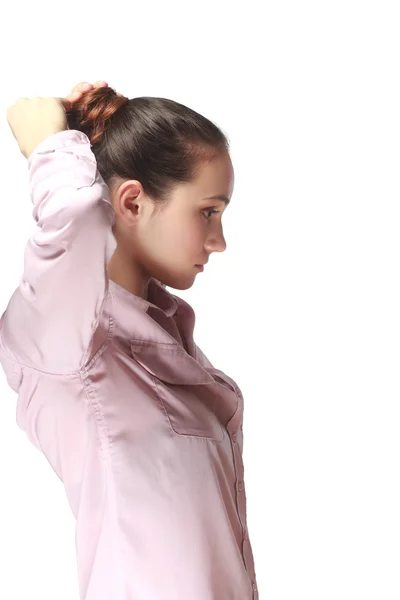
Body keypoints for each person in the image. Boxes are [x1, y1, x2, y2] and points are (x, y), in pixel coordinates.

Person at [2, 81, 259, 599]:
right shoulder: (67, 344)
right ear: (133, 202)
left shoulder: (167, 339)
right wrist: (53, 149)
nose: (220, 240)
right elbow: (76, 216)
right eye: (208, 211)